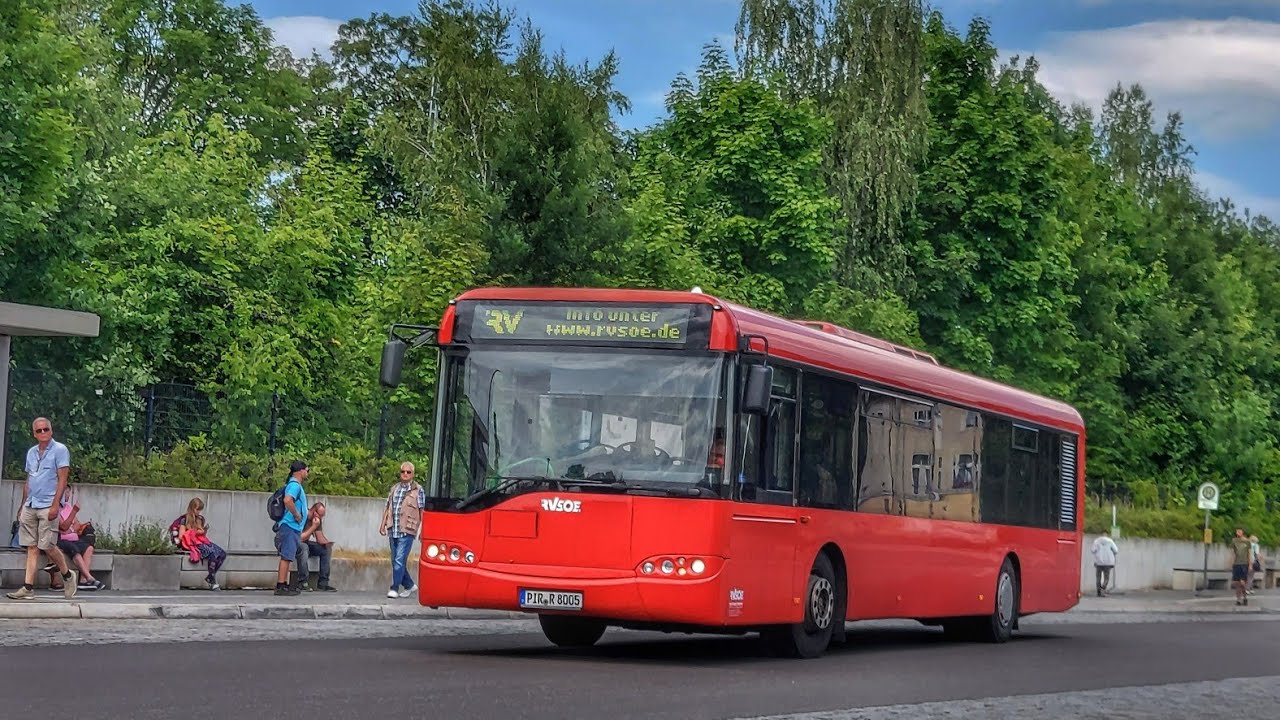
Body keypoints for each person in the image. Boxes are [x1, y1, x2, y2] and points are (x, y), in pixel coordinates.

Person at [7, 418, 77, 600]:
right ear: (34, 433)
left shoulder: (60, 450)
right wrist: (22, 505)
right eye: (39, 430)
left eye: (46, 429)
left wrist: (56, 504)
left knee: (47, 545)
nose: (43, 432)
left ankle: (67, 575)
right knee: (31, 546)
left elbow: (62, 479)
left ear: (51, 430)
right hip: (32, 503)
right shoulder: (31, 452)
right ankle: (28, 587)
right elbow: (29, 480)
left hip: (48, 504)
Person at [44, 484, 104, 591]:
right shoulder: (54, 507)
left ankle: (83, 581)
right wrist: (74, 512)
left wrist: (71, 528)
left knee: (88, 548)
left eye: (69, 492)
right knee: (73, 549)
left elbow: (77, 524)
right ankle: (89, 577)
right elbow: (63, 527)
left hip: (73, 537)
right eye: (65, 492)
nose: (67, 495)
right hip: (60, 539)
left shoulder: (68, 507)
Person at [379, 461, 424, 599]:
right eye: (403, 471)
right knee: (395, 560)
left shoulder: (418, 490)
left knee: (399, 560)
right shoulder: (394, 489)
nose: (405, 474)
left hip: (407, 529)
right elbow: (388, 507)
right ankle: (409, 585)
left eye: (408, 472)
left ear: (413, 474)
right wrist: (383, 524)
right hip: (393, 529)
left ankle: (394, 588)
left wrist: (423, 529)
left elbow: (422, 511)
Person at [172, 498, 227, 590]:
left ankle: (210, 576)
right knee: (211, 554)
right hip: (192, 543)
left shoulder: (199, 519)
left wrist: (203, 531)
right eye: (197, 509)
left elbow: (201, 535)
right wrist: (193, 532)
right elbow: (181, 536)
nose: (198, 512)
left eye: (200, 510)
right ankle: (212, 581)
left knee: (222, 554)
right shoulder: (184, 520)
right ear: (192, 508)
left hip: (201, 541)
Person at [274, 460, 309, 596]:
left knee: (288, 556)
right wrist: (296, 514)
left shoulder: (293, 484)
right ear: (301, 471)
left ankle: (284, 584)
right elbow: (288, 500)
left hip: (292, 527)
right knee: (286, 556)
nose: (307, 473)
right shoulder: (294, 485)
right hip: (290, 526)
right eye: (307, 470)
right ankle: (281, 585)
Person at [295, 502, 336, 591]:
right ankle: (303, 582)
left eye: (322, 516)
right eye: (319, 515)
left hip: (306, 543)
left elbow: (319, 538)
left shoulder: (317, 520)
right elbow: (300, 538)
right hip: (296, 544)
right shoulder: (302, 516)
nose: (320, 518)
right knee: (304, 548)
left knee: (326, 550)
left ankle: (323, 583)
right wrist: (313, 527)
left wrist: (327, 543)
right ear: (313, 511)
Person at [1091, 530, 1119, 597]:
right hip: (1108, 562)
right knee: (1106, 577)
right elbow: (1116, 550)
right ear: (1106, 534)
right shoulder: (1110, 541)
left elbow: (1092, 550)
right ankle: (1103, 589)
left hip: (1099, 562)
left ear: (1101, 534)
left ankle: (1098, 591)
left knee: (1098, 577)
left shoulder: (1097, 541)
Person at [1229, 528, 1252, 606]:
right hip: (1236, 564)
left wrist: (1250, 565)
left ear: (1242, 532)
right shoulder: (1234, 541)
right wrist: (1231, 562)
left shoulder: (1247, 541)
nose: (1238, 532)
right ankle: (1238, 599)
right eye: (1237, 531)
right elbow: (1232, 552)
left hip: (1244, 564)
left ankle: (1245, 597)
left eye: (1240, 531)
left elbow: (1249, 553)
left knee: (1242, 583)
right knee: (1237, 583)